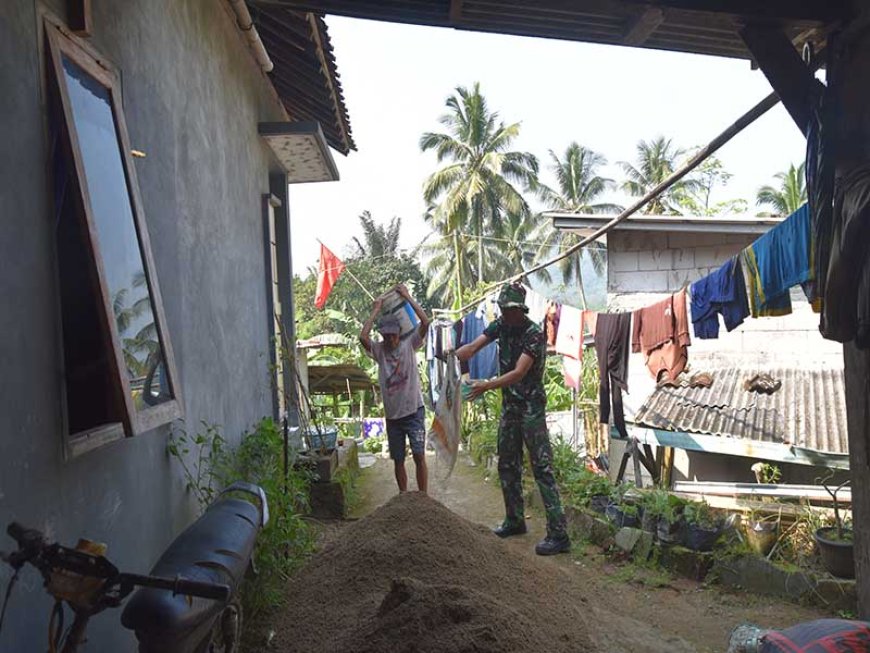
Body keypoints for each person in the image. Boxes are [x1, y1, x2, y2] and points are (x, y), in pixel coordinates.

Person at [456, 282, 570, 556]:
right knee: (507, 463)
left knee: (542, 468)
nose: (505, 316)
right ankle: (515, 520)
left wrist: (486, 385)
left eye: (509, 311)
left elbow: (519, 372)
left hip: (531, 408)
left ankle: (559, 534)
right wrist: (455, 356)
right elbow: (473, 346)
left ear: (520, 309)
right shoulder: (501, 326)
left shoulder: (534, 334)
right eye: (503, 311)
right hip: (510, 407)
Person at [360, 284, 430, 494]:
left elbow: (425, 322)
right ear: (382, 335)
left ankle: (423, 497)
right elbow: (363, 337)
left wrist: (407, 297)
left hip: (414, 412)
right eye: (386, 335)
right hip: (393, 418)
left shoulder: (410, 344)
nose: (390, 338)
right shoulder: (379, 351)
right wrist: (376, 309)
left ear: (399, 332)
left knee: (419, 456)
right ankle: (403, 498)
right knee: (398, 460)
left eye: (393, 334)